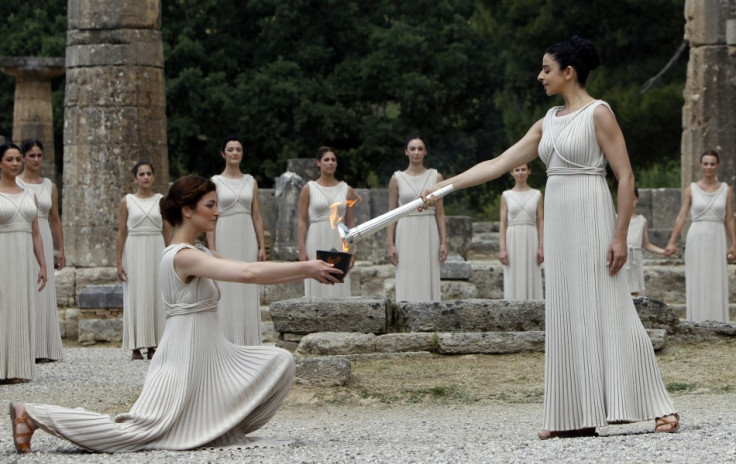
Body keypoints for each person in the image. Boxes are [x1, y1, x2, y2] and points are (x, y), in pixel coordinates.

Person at [421, 36, 679, 438]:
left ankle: (658, 407)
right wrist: (444, 187)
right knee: (566, 309)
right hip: (559, 220)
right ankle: (575, 415)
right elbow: (497, 164)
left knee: (611, 307)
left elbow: (626, 177)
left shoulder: (599, 114)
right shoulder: (547, 121)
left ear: (568, 72)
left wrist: (620, 235)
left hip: (592, 213)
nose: (540, 76)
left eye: (546, 69)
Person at [8, 175, 341, 454]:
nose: (217, 212)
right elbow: (248, 274)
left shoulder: (200, 251)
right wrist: (308, 269)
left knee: (279, 362)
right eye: (210, 205)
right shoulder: (182, 256)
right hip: (183, 358)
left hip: (211, 354)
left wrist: (309, 268)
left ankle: (215, 426)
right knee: (138, 432)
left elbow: (247, 266)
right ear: (187, 209)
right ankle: (33, 414)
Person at [206, 136, 267, 345]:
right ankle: (227, 338)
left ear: (242, 153)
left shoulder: (251, 181)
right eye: (230, 149)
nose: (234, 153)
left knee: (248, 282)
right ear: (223, 154)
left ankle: (248, 340)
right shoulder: (215, 182)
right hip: (225, 233)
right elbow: (211, 216)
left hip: (246, 236)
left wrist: (261, 245)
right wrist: (212, 247)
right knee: (227, 284)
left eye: (238, 149)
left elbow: (256, 214)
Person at [664, 150, 736, 321]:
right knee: (698, 278)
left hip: (717, 236)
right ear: (700, 165)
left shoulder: (726, 189)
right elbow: (681, 216)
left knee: (716, 278)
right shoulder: (692, 189)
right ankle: (696, 321)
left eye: (712, 163)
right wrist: (671, 242)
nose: (709, 167)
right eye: (706, 163)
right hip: (696, 237)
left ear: (717, 166)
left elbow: (730, 218)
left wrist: (734, 243)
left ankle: (718, 321)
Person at [0, 143, 46, 384]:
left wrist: (42, 264)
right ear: (0, 163)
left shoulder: (31, 194)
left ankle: (16, 367)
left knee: (19, 308)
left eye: (18, 159)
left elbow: (36, 233)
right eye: (10, 159)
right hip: (2, 257)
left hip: (22, 259)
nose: (16, 163)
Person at [116, 161, 171, 360]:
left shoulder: (161, 200)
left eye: (149, 173)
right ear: (135, 178)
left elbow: (167, 230)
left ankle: (156, 343)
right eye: (142, 174)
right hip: (135, 249)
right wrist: (119, 261)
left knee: (156, 293)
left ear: (153, 177)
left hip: (156, 246)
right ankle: (136, 345)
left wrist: (170, 253)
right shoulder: (127, 201)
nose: (146, 177)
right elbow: (121, 233)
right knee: (136, 294)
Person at [17, 139, 65, 363]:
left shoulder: (49, 186)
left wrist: (60, 248)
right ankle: (26, 345)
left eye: (39, 155)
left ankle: (44, 347)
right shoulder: (14, 183)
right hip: (22, 236)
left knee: (44, 291)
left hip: (43, 234)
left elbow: (55, 219)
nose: (36, 160)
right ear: (23, 158)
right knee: (26, 288)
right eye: (31, 155)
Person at [386, 133, 448, 302]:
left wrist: (443, 242)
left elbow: (440, 213)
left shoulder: (436, 177)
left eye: (420, 149)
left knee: (428, 271)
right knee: (406, 271)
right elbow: (391, 214)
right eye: (412, 149)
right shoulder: (396, 178)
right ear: (406, 152)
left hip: (428, 229)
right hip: (405, 230)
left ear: (425, 152)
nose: (416, 152)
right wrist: (390, 244)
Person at [298, 146, 358, 297]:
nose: (330, 163)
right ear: (318, 163)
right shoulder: (308, 188)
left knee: (338, 279)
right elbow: (301, 220)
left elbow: (350, 222)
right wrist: (302, 249)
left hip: (338, 239)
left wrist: (352, 250)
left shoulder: (347, 189)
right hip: (315, 237)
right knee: (316, 280)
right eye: (326, 160)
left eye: (333, 160)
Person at [499, 163, 544, 300]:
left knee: (531, 272)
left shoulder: (537, 194)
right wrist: (503, 249)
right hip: (512, 237)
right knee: (513, 273)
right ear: (511, 172)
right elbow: (503, 222)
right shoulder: (506, 195)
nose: (520, 173)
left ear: (529, 171)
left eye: (523, 169)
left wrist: (541, 246)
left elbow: (541, 221)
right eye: (517, 170)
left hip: (531, 237)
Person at [625, 187, 666, 296]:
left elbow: (646, 244)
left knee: (635, 292)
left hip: (635, 261)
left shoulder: (642, 220)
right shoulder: (616, 218)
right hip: (623, 259)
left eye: (632, 198)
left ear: (637, 199)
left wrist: (663, 251)